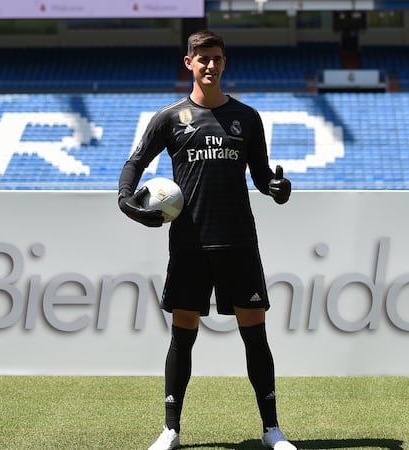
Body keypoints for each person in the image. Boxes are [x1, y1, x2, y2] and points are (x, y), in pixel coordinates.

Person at [117, 30, 295, 450]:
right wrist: (127, 201)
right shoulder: (168, 118)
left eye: (217, 58)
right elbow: (135, 162)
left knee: (255, 334)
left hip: (237, 242)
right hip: (189, 244)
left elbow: (261, 173)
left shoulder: (247, 118)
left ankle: (271, 430)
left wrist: (276, 187)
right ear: (189, 63)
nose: (210, 65)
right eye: (203, 59)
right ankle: (171, 430)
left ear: (223, 62)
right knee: (183, 334)